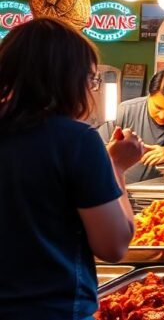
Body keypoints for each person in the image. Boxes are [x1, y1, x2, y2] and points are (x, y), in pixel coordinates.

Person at [0, 19, 144, 317]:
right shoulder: (75, 140)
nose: (92, 90)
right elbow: (114, 245)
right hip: (52, 308)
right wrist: (115, 166)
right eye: (91, 80)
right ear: (68, 79)